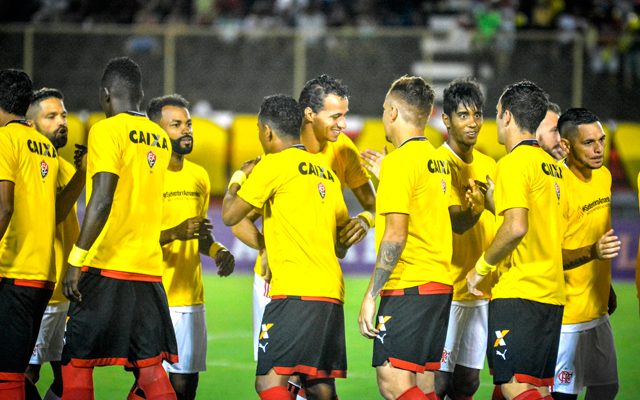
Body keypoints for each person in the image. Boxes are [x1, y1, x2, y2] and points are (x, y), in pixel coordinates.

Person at [232, 75, 375, 399]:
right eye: (335, 116)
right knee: (294, 377)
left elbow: (372, 203)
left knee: (293, 379)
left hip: (314, 281)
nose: (343, 124)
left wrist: (366, 220)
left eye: (344, 115)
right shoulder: (278, 151)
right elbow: (239, 220)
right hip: (277, 280)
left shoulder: (342, 151)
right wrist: (267, 245)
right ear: (309, 114)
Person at [60, 57, 178, 400]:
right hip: (148, 267)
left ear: (105, 95)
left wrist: (75, 259)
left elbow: (101, 199)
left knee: (76, 363)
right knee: (151, 368)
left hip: (106, 263)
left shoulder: (104, 130)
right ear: (140, 94)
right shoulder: (160, 137)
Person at [125, 94, 236, 400]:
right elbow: (129, 237)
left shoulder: (199, 175)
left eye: (188, 124)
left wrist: (217, 251)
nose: (187, 130)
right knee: (150, 384)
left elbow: (198, 233)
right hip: (149, 295)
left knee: (185, 388)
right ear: (157, 131)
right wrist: (173, 232)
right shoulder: (140, 174)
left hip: (189, 297)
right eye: (176, 125)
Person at [466, 81, 563, 400]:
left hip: (520, 291)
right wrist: (496, 206)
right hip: (550, 293)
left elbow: (517, 227)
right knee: (531, 386)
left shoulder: (512, 163)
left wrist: (480, 268)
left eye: (495, 113)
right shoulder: (554, 168)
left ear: (507, 116)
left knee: (514, 385)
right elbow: (537, 223)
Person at [358, 76, 453, 400]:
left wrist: (372, 295)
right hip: (438, 284)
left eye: (385, 109)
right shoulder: (438, 159)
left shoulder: (399, 163)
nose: (384, 115)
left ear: (394, 112)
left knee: (393, 381)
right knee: (423, 384)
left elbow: (395, 236)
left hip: (410, 284)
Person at [434, 78, 497, 400]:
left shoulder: (488, 165)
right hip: (447, 288)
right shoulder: (438, 164)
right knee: (438, 384)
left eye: (477, 114)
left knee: (468, 382)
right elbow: (456, 223)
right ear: (446, 120)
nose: (472, 123)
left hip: (479, 290)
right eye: (463, 115)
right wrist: (476, 209)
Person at [551, 108, 621, 400]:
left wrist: (607, 287)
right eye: (588, 142)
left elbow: (592, 234)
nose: (599, 149)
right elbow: (550, 257)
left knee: (606, 388)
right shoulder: (555, 186)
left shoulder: (603, 176)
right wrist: (593, 252)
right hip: (565, 317)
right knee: (563, 396)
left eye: (602, 140)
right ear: (566, 146)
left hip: (597, 309)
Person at [25, 88, 88, 400]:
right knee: (26, 373)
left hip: (64, 291)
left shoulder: (62, 165)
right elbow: (54, 215)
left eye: (63, 115)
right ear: (31, 124)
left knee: (67, 380)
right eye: (51, 116)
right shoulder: (33, 164)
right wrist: (83, 175)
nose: (62, 121)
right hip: (38, 289)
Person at [0, 69, 59, 400]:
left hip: (13, 271)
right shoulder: (45, 146)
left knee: (6, 376)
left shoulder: (5, 139)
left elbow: (4, 208)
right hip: (42, 274)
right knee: (17, 370)